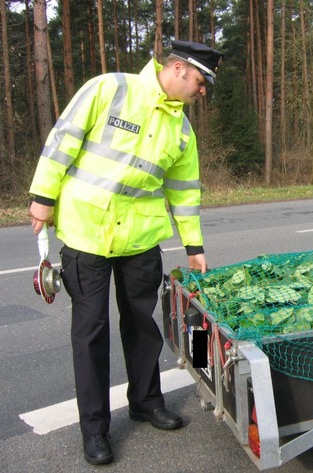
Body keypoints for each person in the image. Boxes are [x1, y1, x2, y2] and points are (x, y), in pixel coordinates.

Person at [28, 39, 224, 465]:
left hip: (140, 242)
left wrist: (194, 247)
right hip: (87, 236)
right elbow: (63, 140)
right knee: (91, 331)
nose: (203, 90)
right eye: (200, 80)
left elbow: (185, 194)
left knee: (142, 324)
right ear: (176, 69)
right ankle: (94, 429)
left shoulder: (182, 130)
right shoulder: (109, 89)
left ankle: (147, 401)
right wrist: (42, 195)